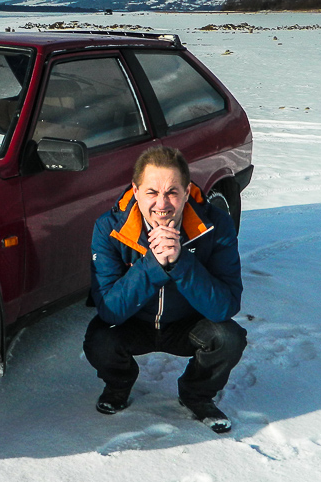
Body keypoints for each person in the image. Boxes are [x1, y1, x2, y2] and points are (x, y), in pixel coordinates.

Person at [83, 145, 247, 433]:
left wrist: (181, 261)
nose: (162, 203)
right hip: (134, 322)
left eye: (172, 192)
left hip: (188, 324)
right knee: (99, 339)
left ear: (186, 192)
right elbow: (110, 310)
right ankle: (119, 386)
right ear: (135, 191)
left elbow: (226, 305)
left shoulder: (215, 225)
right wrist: (154, 265)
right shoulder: (109, 228)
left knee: (229, 338)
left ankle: (196, 394)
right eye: (151, 192)